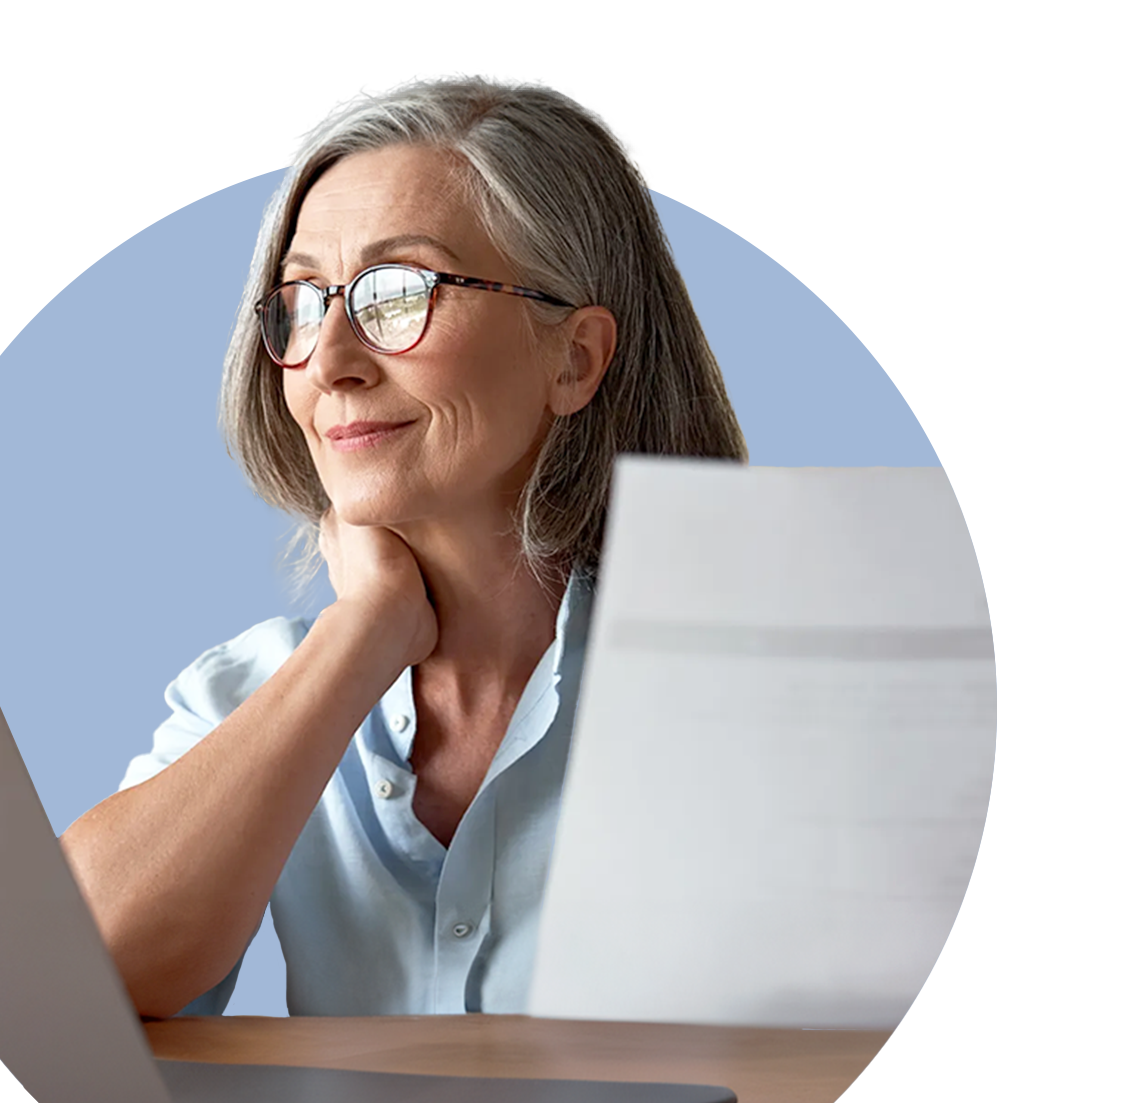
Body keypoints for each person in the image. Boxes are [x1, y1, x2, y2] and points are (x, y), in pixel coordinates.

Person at [60, 73, 745, 1020]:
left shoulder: (753, 689)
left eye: (398, 293)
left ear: (574, 358)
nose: (329, 361)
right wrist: (363, 633)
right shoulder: (247, 692)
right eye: (299, 301)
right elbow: (69, 980)